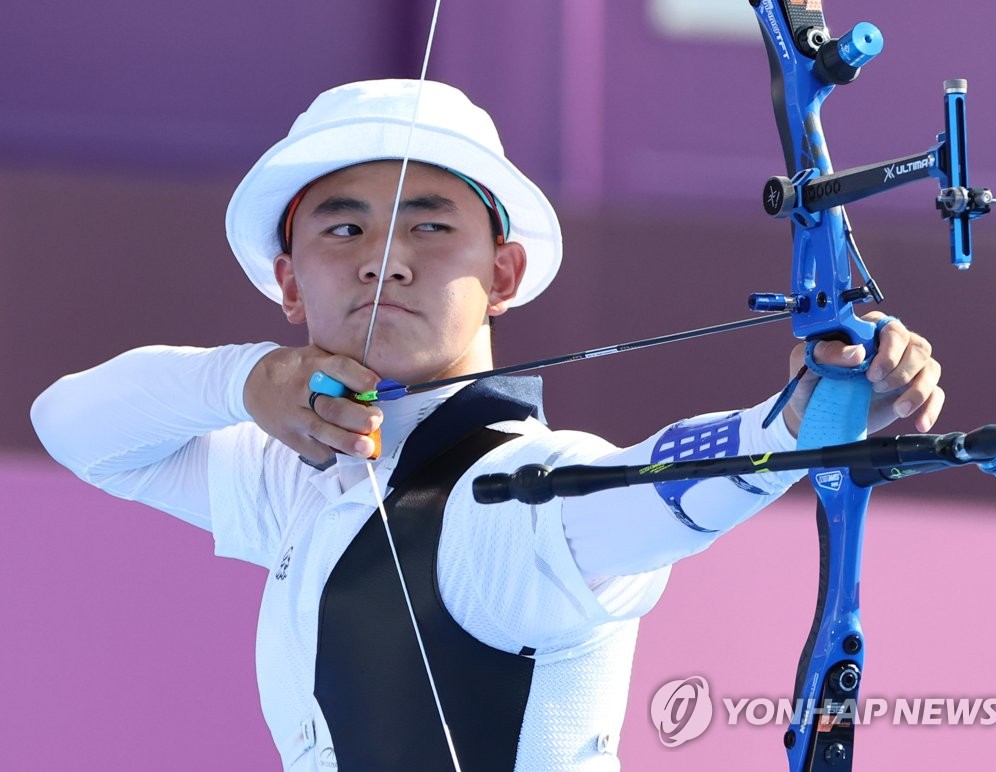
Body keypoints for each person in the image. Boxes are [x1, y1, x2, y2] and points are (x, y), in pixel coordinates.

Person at [31, 80, 942, 771]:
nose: (384, 263)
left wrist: (797, 422)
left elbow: (653, 489)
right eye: (343, 232)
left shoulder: (519, 493)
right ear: (287, 280)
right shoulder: (301, 475)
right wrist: (247, 380)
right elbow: (71, 425)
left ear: (502, 275)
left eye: (430, 229)